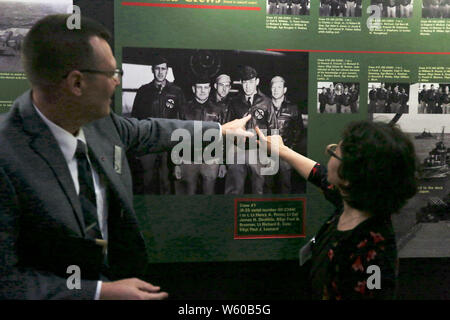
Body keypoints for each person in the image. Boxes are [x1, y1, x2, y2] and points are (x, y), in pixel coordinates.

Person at [0, 14, 252, 300]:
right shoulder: (6, 157)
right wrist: (98, 293)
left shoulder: (102, 124)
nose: (117, 82)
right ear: (77, 83)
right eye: (111, 74)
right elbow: (6, 281)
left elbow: (152, 131)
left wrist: (219, 130)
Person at [256, 120, 417, 300]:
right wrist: (283, 151)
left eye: (334, 152)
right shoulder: (354, 200)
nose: (328, 153)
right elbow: (320, 175)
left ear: (349, 177)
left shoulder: (372, 250)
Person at [130, 56, 185, 195]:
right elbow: (135, 119)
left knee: (166, 182)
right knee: (147, 182)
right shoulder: (143, 91)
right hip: (148, 143)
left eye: (164, 69)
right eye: (158, 68)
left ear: (167, 71)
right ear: (152, 70)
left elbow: (182, 120)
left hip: (168, 144)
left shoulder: (176, 92)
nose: (161, 72)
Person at [225, 66, 277, 195]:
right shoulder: (234, 102)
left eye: (251, 82)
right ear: (242, 83)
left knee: (258, 189)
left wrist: (272, 155)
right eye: (245, 82)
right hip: (237, 151)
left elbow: (273, 129)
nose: (248, 86)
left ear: (257, 82)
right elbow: (227, 129)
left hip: (258, 151)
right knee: (234, 189)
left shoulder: (266, 102)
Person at [174, 75, 225, 195]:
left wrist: (223, 163)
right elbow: (176, 138)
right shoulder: (183, 109)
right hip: (188, 160)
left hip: (211, 161)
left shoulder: (218, 110)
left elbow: (224, 137)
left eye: (205, 87)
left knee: (209, 196)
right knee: (188, 197)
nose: (202, 91)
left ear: (209, 89)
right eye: (199, 87)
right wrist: (176, 163)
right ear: (193, 89)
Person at [265, 76, 304, 194]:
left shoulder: (293, 108)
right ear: (270, 89)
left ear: (284, 90)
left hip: (285, 152)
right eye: (273, 87)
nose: (276, 90)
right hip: (267, 152)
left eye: (279, 87)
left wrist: (289, 149)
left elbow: (298, 131)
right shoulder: (263, 106)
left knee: (285, 184)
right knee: (266, 185)